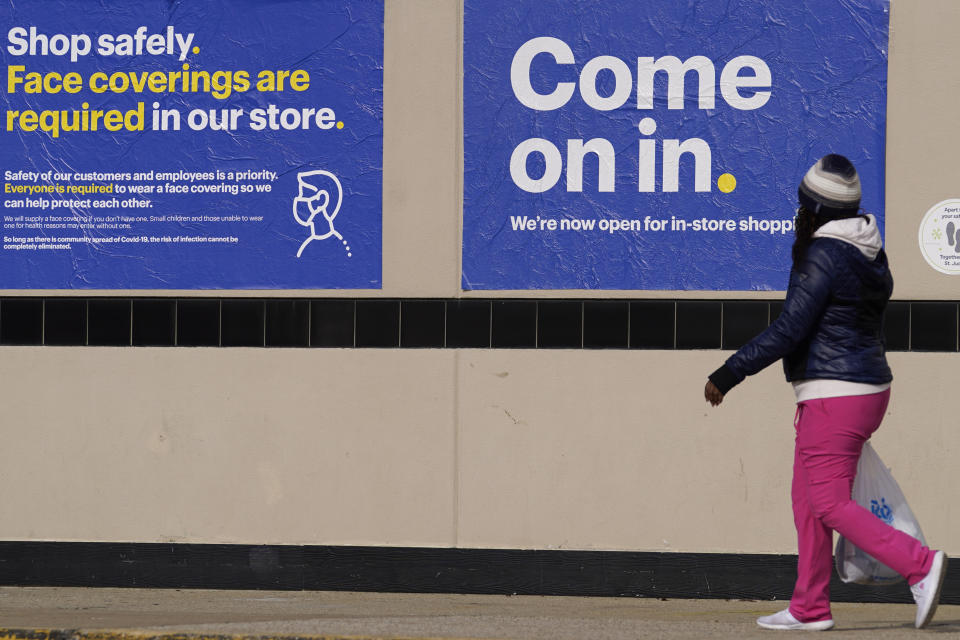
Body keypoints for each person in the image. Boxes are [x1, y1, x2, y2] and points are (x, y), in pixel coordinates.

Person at [704, 154, 947, 631]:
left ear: (814, 207)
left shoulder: (822, 253)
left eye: (803, 204)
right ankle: (809, 607)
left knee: (831, 503)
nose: (799, 213)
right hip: (864, 388)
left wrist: (729, 373)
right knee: (808, 499)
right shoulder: (868, 250)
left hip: (835, 393)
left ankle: (920, 564)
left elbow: (791, 329)